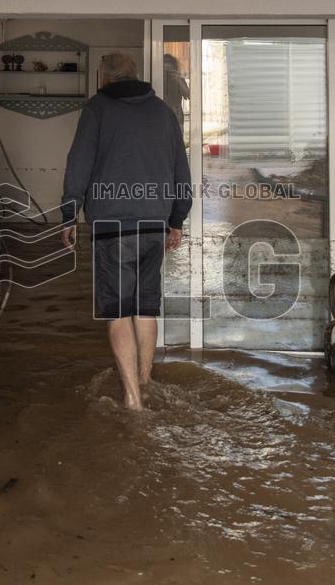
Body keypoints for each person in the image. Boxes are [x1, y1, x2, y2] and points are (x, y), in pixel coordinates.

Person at [60, 53, 192, 411]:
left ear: (104, 77)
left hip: (112, 226)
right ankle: (146, 383)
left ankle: (132, 399)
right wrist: (177, 220)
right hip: (154, 225)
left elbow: (78, 164)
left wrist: (69, 215)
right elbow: (181, 170)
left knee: (118, 311)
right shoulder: (163, 113)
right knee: (145, 308)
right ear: (135, 75)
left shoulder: (97, 110)